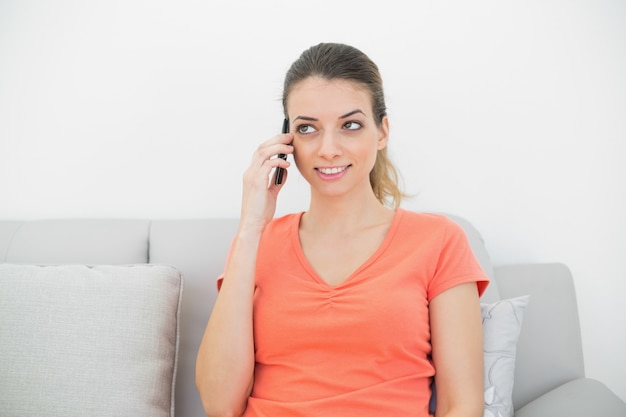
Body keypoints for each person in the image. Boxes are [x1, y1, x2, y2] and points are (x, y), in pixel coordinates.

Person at [196, 42, 489, 417]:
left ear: (382, 132)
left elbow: (461, 406)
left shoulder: (439, 241)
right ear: (287, 141)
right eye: (308, 129)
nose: (329, 149)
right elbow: (219, 405)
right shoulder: (256, 244)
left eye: (350, 125)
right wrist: (251, 227)